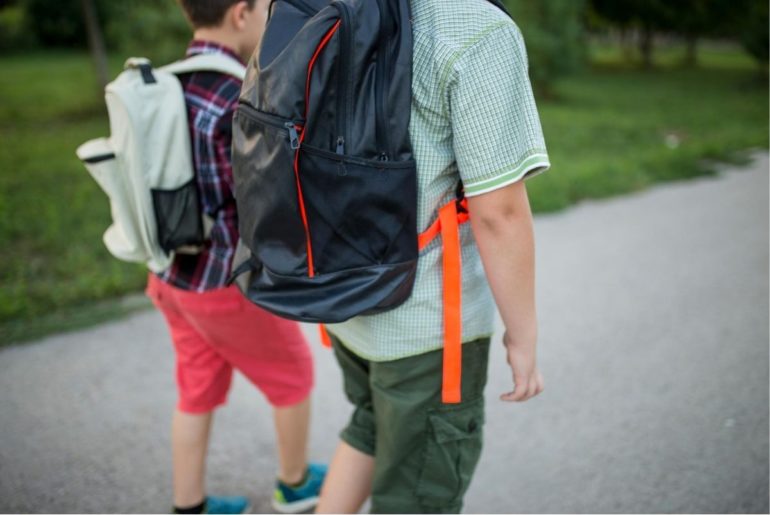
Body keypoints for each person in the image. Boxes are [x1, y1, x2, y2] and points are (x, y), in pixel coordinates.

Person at [316, 0, 550, 512]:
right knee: (418, 495)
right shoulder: (474, 26)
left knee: (371, 425)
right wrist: (523, 331)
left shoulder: (329, 6)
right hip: (425, 325)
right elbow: (500, 212)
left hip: (340, 294)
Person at [145, 1, 325, 513]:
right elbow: (257, 199)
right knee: (293, 373)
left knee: (195, 390)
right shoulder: (235, 97)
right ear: (240, 13)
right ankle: (294, 483)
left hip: (170, 278)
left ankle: (190, 505)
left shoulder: (166, 85)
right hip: (223, 284)